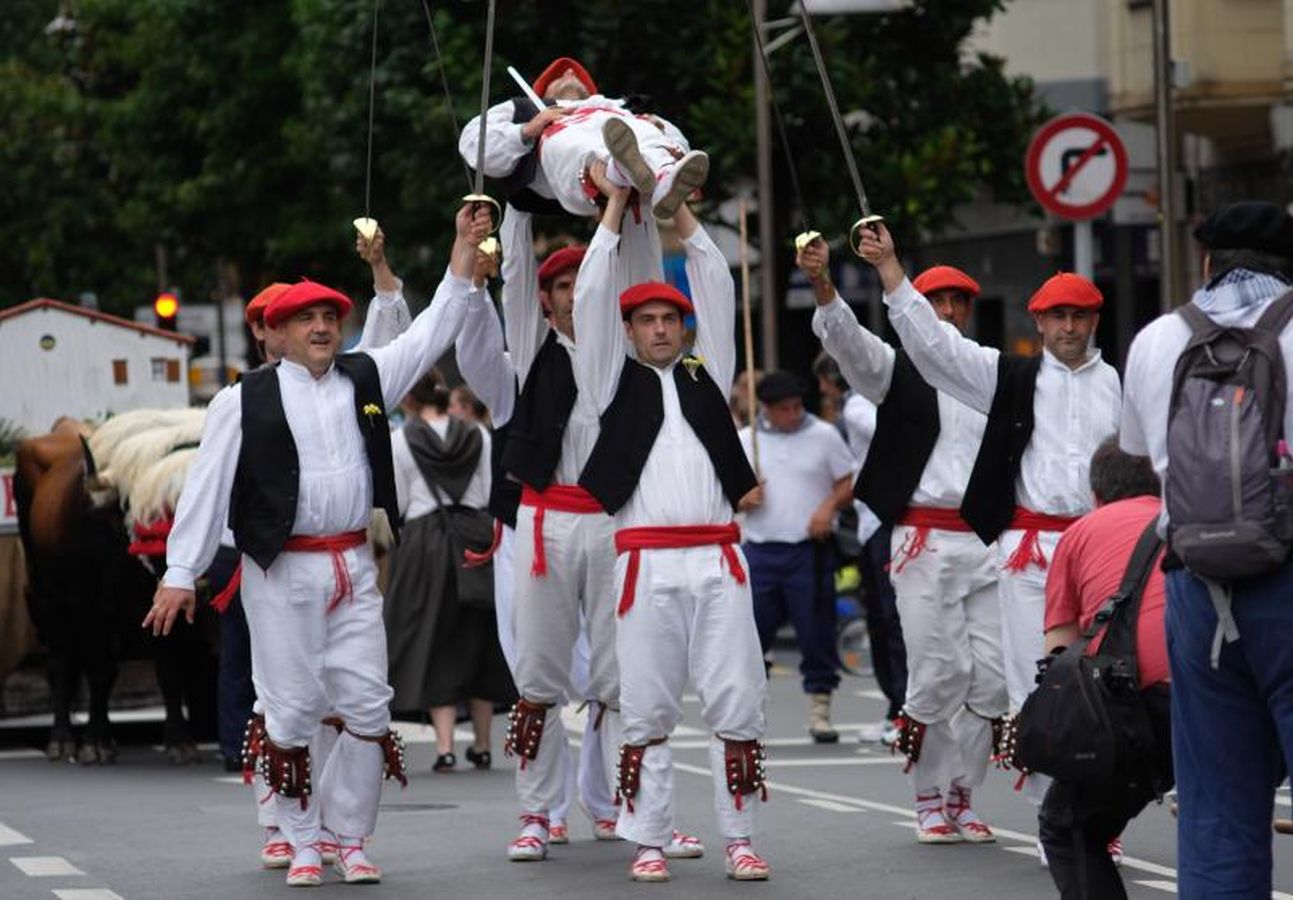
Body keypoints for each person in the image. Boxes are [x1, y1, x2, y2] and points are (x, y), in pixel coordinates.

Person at [145, 203, 489, 887]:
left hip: (353, 563)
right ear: (276, 330)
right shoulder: (242, 400)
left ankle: (348, 837)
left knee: (366, 705)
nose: (324, 326)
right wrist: (180, 572)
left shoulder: (365, 377)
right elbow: (208, 488)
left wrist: (461, 242)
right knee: (293, 708)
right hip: (280, 571)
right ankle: (301, 841)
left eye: (330, 315)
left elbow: (435, 327)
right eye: (306, 318)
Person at [858, 223, 1121, 822]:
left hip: (1097, 548)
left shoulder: (1116, 383)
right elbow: (933, 345)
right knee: (1036, 686)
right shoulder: (1010, 376)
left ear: (1096, 320)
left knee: (1097, 685)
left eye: (1079, 315)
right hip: (1025, 551)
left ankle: (1093, 812)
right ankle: (1052, 815)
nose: (1069, 326)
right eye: (1056, 315)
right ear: (1038, 322)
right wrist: (891, 270)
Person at [574, 162, 770, 883]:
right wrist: (617, 203)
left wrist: (674, 211)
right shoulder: (606, 379)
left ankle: (740, 837)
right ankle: (649, 837)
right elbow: (593, 291)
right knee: (648, 703)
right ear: (628, 331)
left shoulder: (706, 378)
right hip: (646, 564)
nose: (659, 330)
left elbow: (715, 280)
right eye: (646, 321)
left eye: (668, 320)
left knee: (735, 699)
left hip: (719, 560)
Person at [1120, 200, 1293, 898]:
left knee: (1217, 806)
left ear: (1205, 263)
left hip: (1197, 596)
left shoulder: (1157, 339)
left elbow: (1136, 453)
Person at [806, 241, 1004, 843]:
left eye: (955, 302)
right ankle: (926, 793)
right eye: (935, 300)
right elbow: (848, 344)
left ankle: (963, 793)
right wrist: (823, 285)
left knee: (993, 679)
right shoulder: (896, 369)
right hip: (922, 540)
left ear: (968, 311)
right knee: (937, 673)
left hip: (987, 539)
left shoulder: (992, 369)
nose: (944, 311)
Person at [452, 228, 623, 849]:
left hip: (610, 521)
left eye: (584, 282)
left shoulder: (622, 358)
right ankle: (538, 811)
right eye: (562, 285)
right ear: (546, 299)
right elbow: (475, 351)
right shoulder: (523, 356)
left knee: (617, 673)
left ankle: (611, 802)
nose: (575, 293)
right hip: (542, 520)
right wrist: (483, 277)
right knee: (537, 674)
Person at [1038, 438, 1172, 899]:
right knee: (1220, 828)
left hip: (1139, 698)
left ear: (1095, 494)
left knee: (1068, 825)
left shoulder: (1081, 532)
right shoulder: (1191, 518)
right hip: (1221, 689)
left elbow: (1060, 652)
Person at [385, 367, 515, 772]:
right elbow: (494, 490)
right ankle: (482, 743)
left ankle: (444, 746)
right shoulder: (478, 435)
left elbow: (400, 501)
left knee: (434, 639)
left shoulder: (400, 441)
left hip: (427, 540)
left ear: (408, 399)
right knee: (480, 638)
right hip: (477, 536)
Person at [738, 370, 854, 742]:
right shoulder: (746, 440)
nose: (793, 414)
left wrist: (828, 509)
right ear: (767, 409)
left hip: (809, 548)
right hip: (761, 548)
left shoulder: (823, 435)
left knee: (816, 628)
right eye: (784, 409)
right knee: (751, 633)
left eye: (796, 406)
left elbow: (847, 481)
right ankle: (748, 709)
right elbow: (727, 492)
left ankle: (821, 709)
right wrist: (744, 496)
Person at [459, 56, 707, 220]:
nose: (569, 71)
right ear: (544, 93)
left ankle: (663, 177)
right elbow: (472, 141)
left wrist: (658, 125)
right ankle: (620, 170)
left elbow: (680, 143)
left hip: (623, 135)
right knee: (569, 143)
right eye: (560, 76)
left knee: (645, 133)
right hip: (572, 161)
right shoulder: (528, 109)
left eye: (575, 74)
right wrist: (527, 130)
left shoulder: (617, 107)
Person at [812, 350, 902, 743]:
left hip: (883, 522)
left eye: (823, 382)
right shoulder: (857, 408)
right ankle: (893, 708)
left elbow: (891, 432)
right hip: (870, 525)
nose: (821, 390)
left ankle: (902, 710)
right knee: (881, 621)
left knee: (891, 621)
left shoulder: (859, 408)